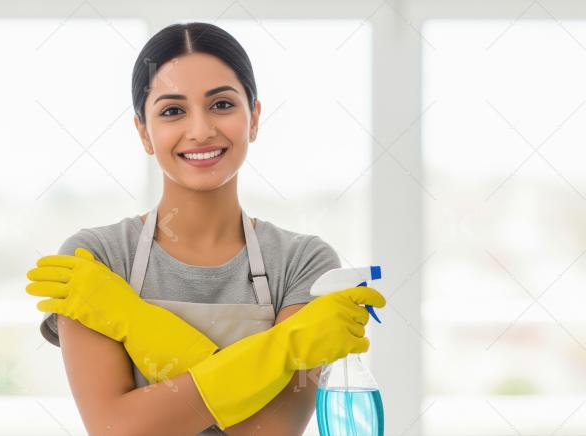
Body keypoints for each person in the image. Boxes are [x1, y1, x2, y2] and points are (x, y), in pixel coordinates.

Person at [25, 21, 386, 435]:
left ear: (254, 118)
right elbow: (116, 430)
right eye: (172, 111)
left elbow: (266, 431)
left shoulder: (303, 262)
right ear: (144, 131)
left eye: (221, 105)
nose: (200, 131)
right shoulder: (96, 259)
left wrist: (135, 322)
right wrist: (284, 349)